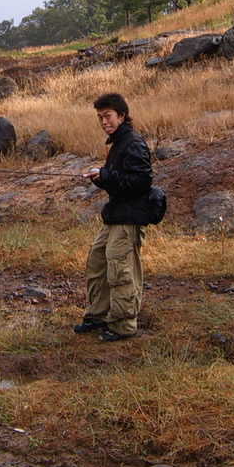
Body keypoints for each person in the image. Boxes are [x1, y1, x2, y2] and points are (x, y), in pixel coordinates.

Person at [75, 92, 153, 342]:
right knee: (97, 263)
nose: (103, 121)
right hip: (115, 215)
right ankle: (99, 315)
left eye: (107, 116)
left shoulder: (133, 143)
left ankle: (123, 325)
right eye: (100, 117)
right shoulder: (119, 142)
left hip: (128, 218)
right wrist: (101, 178)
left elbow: (142, 182)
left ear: (121, 115)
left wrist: (107, 176)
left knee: (121, 270)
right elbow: (120, 181)